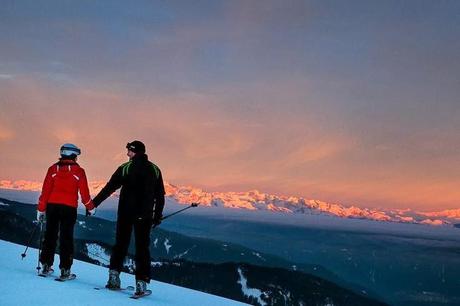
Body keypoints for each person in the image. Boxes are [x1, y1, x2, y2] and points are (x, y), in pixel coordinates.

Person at [90, 140, 165, 295]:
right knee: (142, 248)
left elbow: (109, 187)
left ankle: (113, 278)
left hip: (125, 213)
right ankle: (141, 283)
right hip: (144, 216)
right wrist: (157, 215)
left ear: (134, 152)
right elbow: (160, 196)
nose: (127, 154)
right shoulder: (155, 170)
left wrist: (94, 204)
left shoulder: (126, 168)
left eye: (129, 151)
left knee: (120, 245)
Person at [37, 143, 95, 279]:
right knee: (66, 238)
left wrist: (41, 209)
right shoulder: (79, 171)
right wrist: (91, 208)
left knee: (50, 235)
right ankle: (65, 269)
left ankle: (45, 265)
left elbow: (45, 191)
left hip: (52, 206)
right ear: (73, 155)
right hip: (69, 209)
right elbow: (84, 193)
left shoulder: (52, 169)